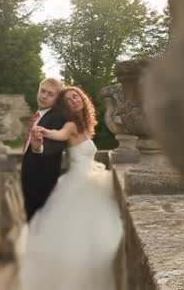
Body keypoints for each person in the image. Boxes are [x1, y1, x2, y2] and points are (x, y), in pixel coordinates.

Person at [19, 86, 124, 290]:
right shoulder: (71, 125)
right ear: (65, 106)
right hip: (79, 183)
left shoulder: (85, 125)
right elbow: (59, 135)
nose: (74, 100)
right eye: (68, 99)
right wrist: (44, 132)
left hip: (91, 177)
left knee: (95, 235)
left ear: (83, 99)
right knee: (79, 237)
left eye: (76, 96)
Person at [20, 77, 66, 222]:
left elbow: (54, 148)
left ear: (57, 99)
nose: (44, 96)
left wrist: (38, 147)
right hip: (31, 179)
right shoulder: (40, 115)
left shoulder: (57, 117)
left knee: (39, 224)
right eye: (43, 91)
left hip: (43, 182)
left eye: (50, 94)